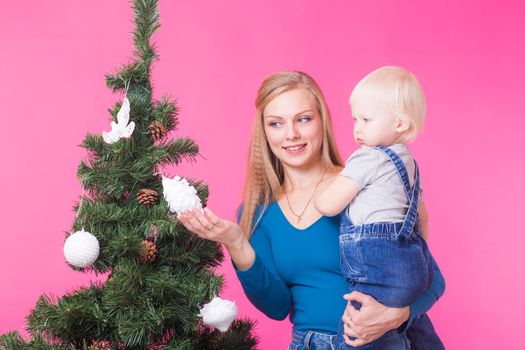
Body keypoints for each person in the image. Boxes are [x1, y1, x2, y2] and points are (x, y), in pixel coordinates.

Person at [177, 71, 445, 350]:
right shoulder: (257, 212)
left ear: (322, 121)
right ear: (265, 131)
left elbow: (432, 277)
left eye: (303, 119)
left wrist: (395, 317)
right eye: (276, 123)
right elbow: (277, 307)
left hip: (378, 342)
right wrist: (236, 243)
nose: (291, 134)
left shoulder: (365, 184)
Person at [313, 66, 444, 349]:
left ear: (399, 124)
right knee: (415, 329)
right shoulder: (409, 165)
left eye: (366, 119)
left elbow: (327, 205)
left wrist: (323, 189)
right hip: (414, 266)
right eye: (355, 119)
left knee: (354, 331)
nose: (357, 128)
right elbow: (423, 217)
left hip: (377, 270)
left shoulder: (368, 158)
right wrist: (409, 255)